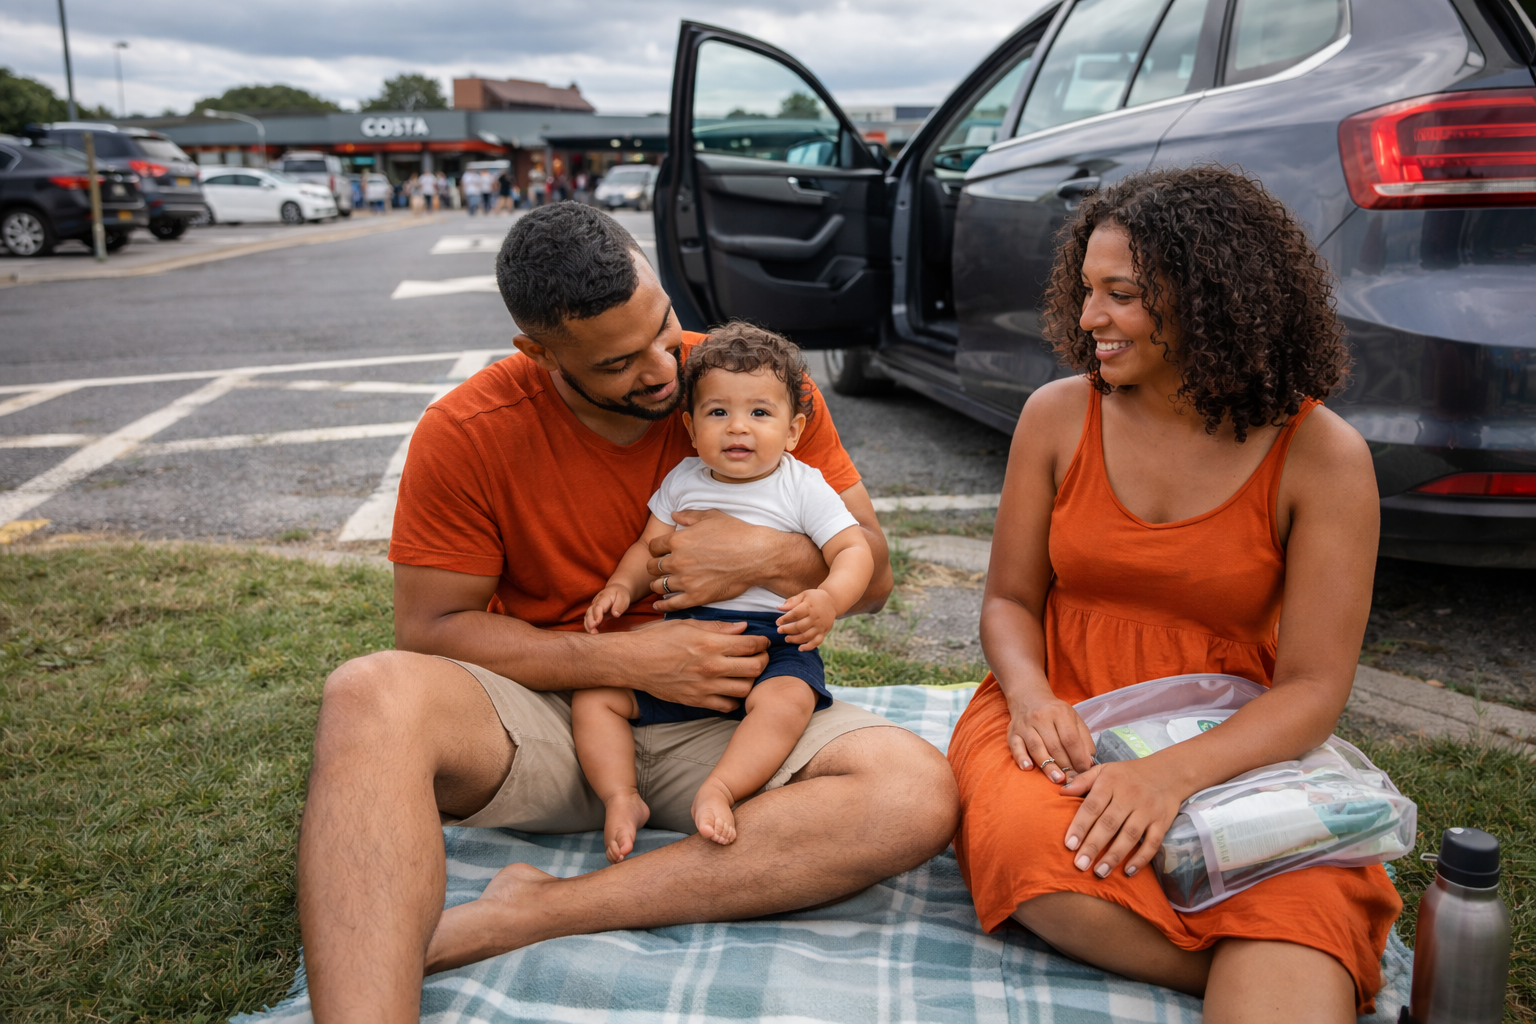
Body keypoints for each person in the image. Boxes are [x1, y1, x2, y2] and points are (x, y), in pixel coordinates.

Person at [295, 202, 958, 1022]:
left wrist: (771, 559)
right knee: (369, 692)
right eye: (617, 363)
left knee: (913, 793)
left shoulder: (747, 386)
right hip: (558, 718)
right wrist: (619, 660)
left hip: (731, 717)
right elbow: (430, 631)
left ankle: (536, 909)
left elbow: (878, 578)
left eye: (663, 328)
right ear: (537, 352)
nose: (661, 370)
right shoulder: (465, 431)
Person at [946, 165, 1401, 1023]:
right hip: (1066, 705)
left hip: (1229, 731)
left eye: (1121, 294)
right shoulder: (1056, 416)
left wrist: (1169, 779)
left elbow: (1311, 689)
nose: (1088, 321)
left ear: (1213, 301)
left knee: (1305, 888)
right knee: (1031, 851)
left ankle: (1280, 954)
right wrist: (1032, 697)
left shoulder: (1323, 456)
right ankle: (1245, 964)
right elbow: (1009, 600)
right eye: (1086, 290)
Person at [576, 324, 875, 863]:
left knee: (786, 701)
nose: (738, 427)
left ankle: (723, 787)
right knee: (595, 697)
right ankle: (621, 796)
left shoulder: (801, 484)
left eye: (760, 413)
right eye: (718, 413)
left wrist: (829, 599)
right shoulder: (683, 480)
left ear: (793, 429)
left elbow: (855, 551)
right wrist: (621, 586)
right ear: (690, 427)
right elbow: (650, 549)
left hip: (775, 639)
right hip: (686, 637)